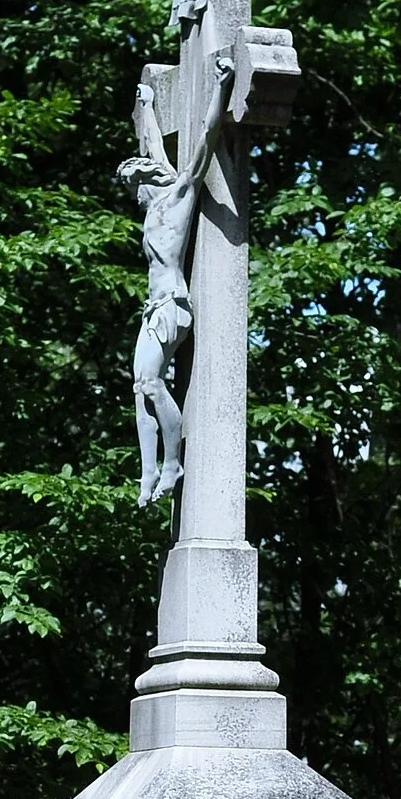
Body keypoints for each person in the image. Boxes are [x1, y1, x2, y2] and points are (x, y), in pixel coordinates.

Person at [116, 46, 235, 505]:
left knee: (149, 382)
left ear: (152, 181)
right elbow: (151, 146)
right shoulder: (152, 208)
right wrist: (146, 105)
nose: (134, 192)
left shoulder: (179, 197)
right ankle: (148, 474)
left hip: (173, 308)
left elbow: (206, 137)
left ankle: (172, 461)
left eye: (136, 183)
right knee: (139, 386)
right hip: (152, 310)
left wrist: (222, 86)